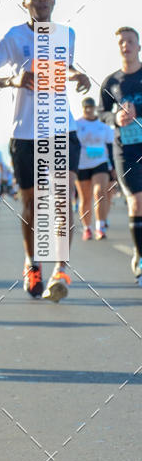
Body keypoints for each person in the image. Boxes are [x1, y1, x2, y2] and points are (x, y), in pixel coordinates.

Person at [0, 0, 89, 301]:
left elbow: (62, 69)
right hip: (25, 133)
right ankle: (32, 262)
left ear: (54, 0)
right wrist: (12, 79)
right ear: (25, 2)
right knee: (32, 206)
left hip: (62, 129)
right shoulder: (13, 37)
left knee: (63, 199)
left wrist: (76, 75)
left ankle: (61, 269)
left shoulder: (66, 35)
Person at [99, 27, 142, 283]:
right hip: (125, 149)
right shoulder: (111, 82)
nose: (125, 45)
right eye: (121, 42)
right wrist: (116, 117)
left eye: (130, 41)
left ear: (138, 46)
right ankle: (139, 254)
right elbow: (103, 113)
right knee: (136, 201)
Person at [75, 97, 114, 241]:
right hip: (82, 164)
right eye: (86, 107)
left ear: (95, 108)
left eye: (91, 107)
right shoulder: (76, 125)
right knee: (85, 198)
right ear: (83, 108)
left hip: (100, 162)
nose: (89, 110)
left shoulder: (103, 127)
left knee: (100, 192)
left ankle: (100, 226)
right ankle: (87, 228)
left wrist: (113, 167)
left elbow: (110, 146)